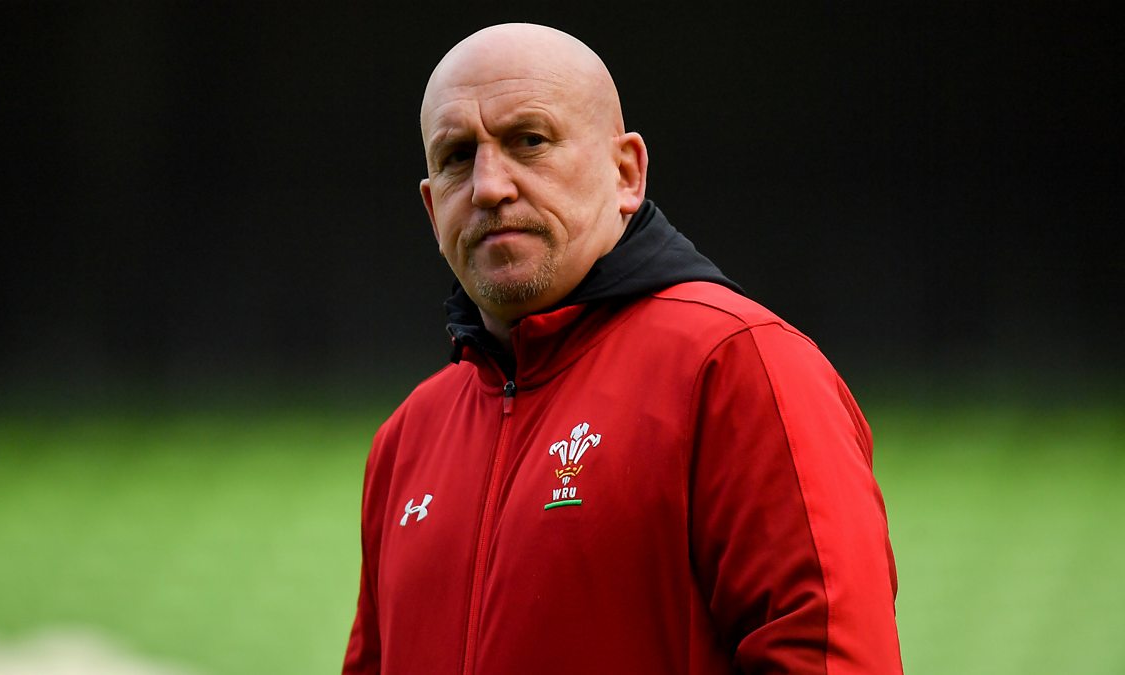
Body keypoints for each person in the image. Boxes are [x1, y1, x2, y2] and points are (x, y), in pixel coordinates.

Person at [344, 23, 901, 675]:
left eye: (529, 141)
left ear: (627, 173)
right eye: (458, 156)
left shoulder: (738, 364)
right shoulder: (406, 439)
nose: (489, 186)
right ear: (431, 208)